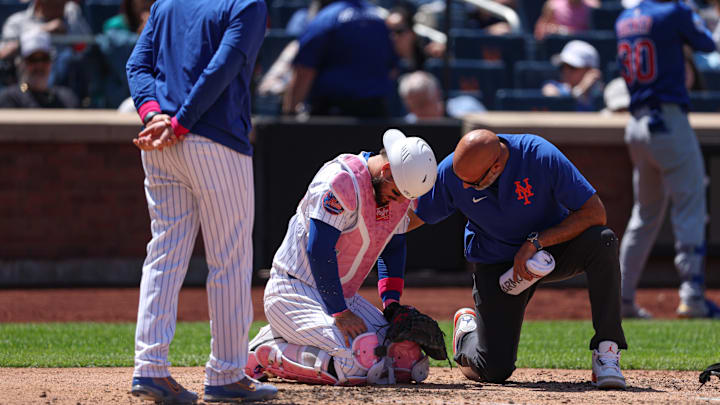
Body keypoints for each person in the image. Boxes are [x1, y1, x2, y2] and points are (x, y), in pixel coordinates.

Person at [125, 0, 277, 403]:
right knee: (229, 259)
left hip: (159, 140)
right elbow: (222, 69)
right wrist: (180, 122)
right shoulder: (247, 4)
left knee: (164, 254)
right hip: (213, 139)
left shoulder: (166, 2)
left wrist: (154, 114)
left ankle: (150, 368)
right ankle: (226, 373)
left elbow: (136, 67)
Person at [413, 129, 628, 389]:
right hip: (497, 261)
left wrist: (536, 242)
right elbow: (416, 216)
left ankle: (607, 351)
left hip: (550, 250)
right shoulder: (454, 172)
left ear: (496, 166)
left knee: (603, 240)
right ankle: (466, 336)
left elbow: (595, 212)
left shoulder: (539, 155)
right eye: (462, 180)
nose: (465, 187)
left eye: (472, 182)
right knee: (494, 369)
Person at [244, 129, 438, 386]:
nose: (400, 203)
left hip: (341, 296)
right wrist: (340, 312)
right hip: (293, 292)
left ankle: (286, 337)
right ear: (387, 170)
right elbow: (319, 249)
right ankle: (265, 351)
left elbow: (394, 247)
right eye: (397, 194)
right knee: (356, 364)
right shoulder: (341, 181)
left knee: (404, 359)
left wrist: (391, 304)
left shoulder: (397, 190)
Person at [616, 0, 720, 319]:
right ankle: (692, 297)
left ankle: (620, 300)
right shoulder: (673, 10)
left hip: (636, 125)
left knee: (644, 215)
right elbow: (706, 42)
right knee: (690, 206)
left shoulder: (623, 18)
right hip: (668, 121)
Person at [282, 0, 397, 117]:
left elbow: (305, 70)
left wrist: (290, 111)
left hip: (334, 115)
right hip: (376, 112)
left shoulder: (327, 18)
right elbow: (392, 70)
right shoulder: (379, 19)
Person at [0, 0, 92, 92]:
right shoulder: (17, 21)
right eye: (56, 3)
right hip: (25, 89)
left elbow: (88, 47)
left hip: (66, 88)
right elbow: (3, 53)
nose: (61, 6)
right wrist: (42, 31)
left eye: (64, 2)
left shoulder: (72, 19)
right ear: (38, 2)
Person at [0, 28, 77, 108]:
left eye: (44, 59)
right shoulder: (10, 98)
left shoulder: (67, 98)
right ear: (21, 63)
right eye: (32, 59)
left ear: (51, 62)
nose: (39, 65)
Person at [397, 70, 486, 121]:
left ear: (437, 94)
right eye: (411, 108)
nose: (416, 112)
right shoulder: (409, 123)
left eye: (422, 104)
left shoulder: (469, 109)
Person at [542, 40, 604, 111]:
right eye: (563, 66)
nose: (566, 71)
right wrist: (580, 90)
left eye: (572, 68)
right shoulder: (552, 88)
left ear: (590, 71)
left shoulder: (600, 95)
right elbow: (553, 100)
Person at [534, 0, 599, 41]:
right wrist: (555, 30)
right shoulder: (552, 5)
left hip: (583, 45)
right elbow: (539, 32)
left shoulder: (592, 6)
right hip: (558, 47)